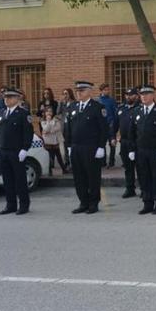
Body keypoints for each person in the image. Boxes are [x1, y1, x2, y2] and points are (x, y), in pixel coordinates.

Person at [64, 81, 109, 215]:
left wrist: (101, 147)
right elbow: (68, 129)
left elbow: (104, 129)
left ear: (89, 91)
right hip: (76, 147)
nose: (78, 93)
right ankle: (83, 202)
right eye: (77, 91)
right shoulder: (72, 107)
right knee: (79, 177)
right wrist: (69, 146)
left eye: (82, 90)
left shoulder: (97, 107)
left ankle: (93, 203)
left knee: (92, 177)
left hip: (91, 148)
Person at [128, 84, 156, 215]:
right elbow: (132, 133)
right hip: (141, 151)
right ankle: (147, 202)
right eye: (142, 94)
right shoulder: (136, 112)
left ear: (153, 95)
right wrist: (131, 150)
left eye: (146, 94)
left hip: (155, 151)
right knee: (143, 177)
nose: (144, 97)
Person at [0, 88, 34, 215]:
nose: (6, 99)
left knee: (20, 180)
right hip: (3, 151)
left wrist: (24, 149)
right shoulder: (2, 112)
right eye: (5, 97)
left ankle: (24, 205)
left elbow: (28, 133)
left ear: (17, 99)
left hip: (16, 152)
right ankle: (10, 205)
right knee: (7, 180)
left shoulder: (23, 114)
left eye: (10, 97)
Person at [113, 87, 139, 198]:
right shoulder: (121, 109)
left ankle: (144, 189)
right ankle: (130, 188)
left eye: (131, 95)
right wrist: (112, 137)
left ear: (136, 96)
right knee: (128, 167)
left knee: (141, 167)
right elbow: (114, 124)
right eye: (127, 95)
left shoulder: (140, 108)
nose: (128, 97)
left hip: (137, 142)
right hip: (124, 142)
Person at [41, 106, 68, 175]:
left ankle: (64, 169)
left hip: (55, 141)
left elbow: (58, 127)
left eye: (50, 111)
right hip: (48, 141)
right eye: (47, 111)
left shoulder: (56, 119)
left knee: (59, 155)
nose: (49, 113)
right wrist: (49, 122)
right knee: (50, 156)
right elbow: (45, 128)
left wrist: (50, 130)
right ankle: (49, 170)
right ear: (45, 113)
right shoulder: (43, 120)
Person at [97, 83, 118, 169]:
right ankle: (103, 162)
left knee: (112, 143)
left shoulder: (111, 100)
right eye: (105, 90)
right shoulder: (98, 100)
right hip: (101, 125)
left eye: (108, 89)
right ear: (101, 90)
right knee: (102, 143)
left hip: (110, 125)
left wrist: (114, 123)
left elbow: (115, 113)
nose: (107, 91)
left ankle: (112, 162)